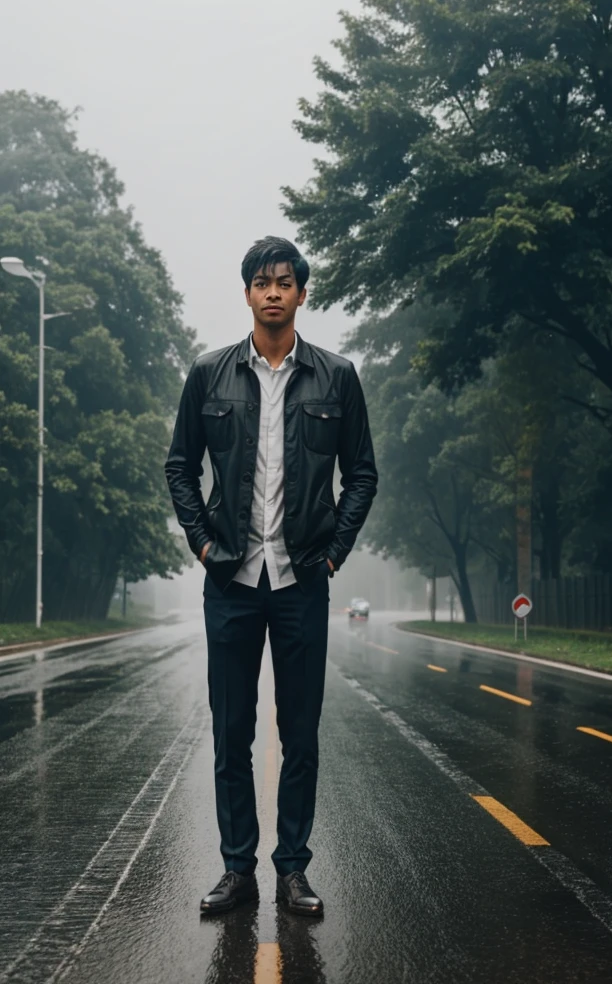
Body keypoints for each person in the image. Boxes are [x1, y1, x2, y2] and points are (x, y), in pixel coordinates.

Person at [165, 236, 378, 917]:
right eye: (263, 281)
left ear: (303, 293)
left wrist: (336, 553)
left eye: (286, 281)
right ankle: (237, 870)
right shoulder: (209, 374)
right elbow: (180, 466)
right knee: (232, 733)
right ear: (248, 293)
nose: (275, 291)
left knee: (301, 735)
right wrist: (202, 544)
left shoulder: (337, 377)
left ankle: (292, 870)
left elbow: (362, 474)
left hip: (300, 583)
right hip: (228, 580)